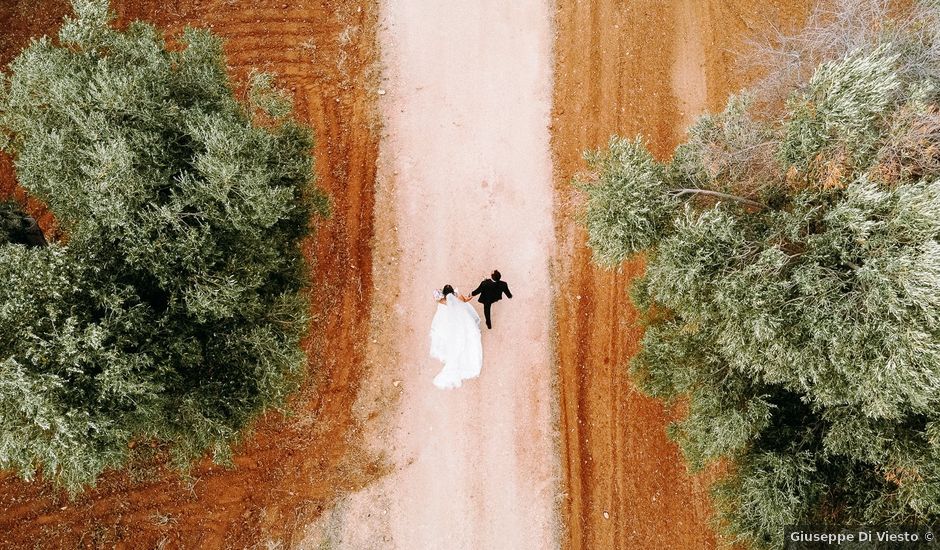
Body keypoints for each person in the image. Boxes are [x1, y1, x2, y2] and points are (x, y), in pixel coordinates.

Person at [429, 285, 483, 389]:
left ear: (444, 294)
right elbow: (466, 300)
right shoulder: (460, 298)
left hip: (450, 323)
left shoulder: (441, 301)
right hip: (461, 321)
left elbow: (437, 298)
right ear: (453, 293)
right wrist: (470, 296)